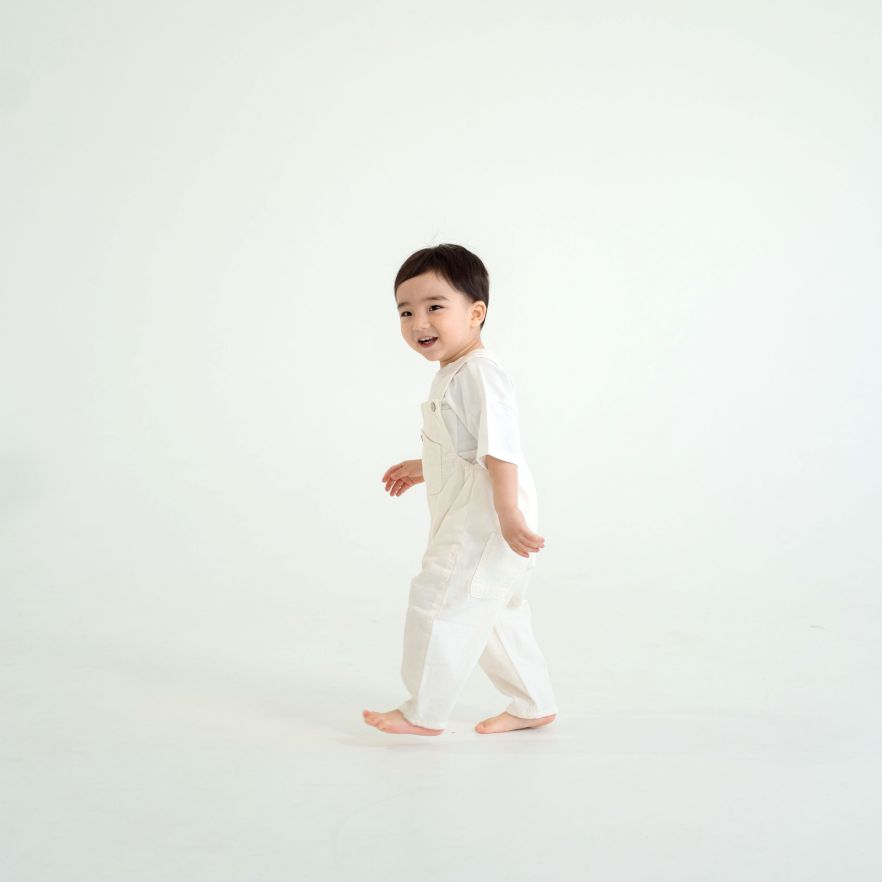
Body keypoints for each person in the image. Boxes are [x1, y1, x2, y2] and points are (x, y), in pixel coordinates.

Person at [363, 244, 559, 736]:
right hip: (484, 512)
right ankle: (533, 703)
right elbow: (467, 448)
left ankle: (423, 712)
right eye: (406, 312)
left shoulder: (478, 373)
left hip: (485, 519)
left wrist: (508, 513)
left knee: (439, 600)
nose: (419, 322)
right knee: (494, 610)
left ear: (475, 313)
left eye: (435, 306)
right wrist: (424, 466)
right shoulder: (455, 372)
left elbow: (500, 449)